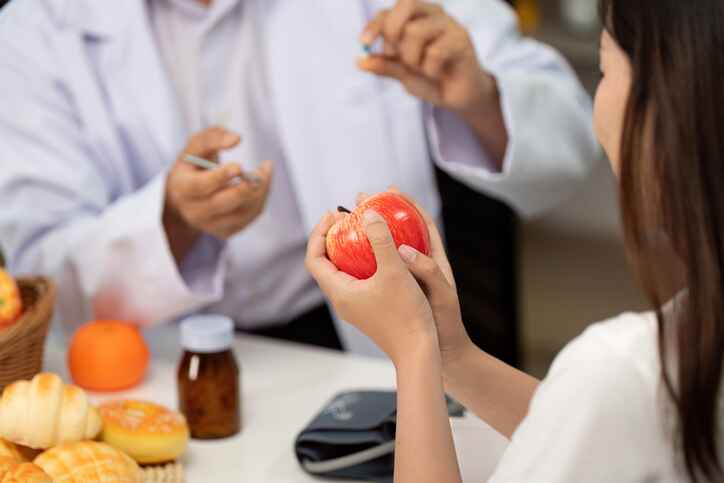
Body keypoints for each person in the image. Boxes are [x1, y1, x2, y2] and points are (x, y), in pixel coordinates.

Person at [0, 0, 597, 355]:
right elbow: (40, 276)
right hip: (158, 356)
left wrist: (477, 97)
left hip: (347, 337)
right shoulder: (36, 29)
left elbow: (569, 141)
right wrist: (174, 223)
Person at [306, 0, 724, 480]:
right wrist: (450, 355)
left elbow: (608, 403)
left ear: (667, 112)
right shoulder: (670, 354)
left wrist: (412, 351)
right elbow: (590, 426)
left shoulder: (622, 366)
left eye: (605, 69)